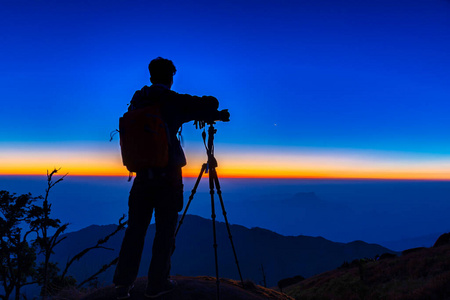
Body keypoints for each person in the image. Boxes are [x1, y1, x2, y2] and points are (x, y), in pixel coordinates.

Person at [113, 57, 229, 299]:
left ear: (151, 75)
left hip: (142, 176)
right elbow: (209, 102)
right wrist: (209, 112)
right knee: (165, 230)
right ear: (170, 76)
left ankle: (123, 284)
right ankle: (158, 283)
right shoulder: (171, 101)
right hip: (167, 178)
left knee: (135, 230)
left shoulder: (137, 100)